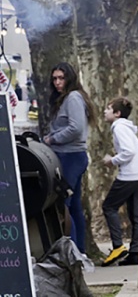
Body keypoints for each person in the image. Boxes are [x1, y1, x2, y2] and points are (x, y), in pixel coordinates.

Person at [44, 62, 97, 254]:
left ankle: (72, 252)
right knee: (74, 205)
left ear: (70, 78)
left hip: (70, 156)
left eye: (61, 78)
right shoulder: (64, 99)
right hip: (68, 155)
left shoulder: (73, 98)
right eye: (55, 79)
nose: (58, 82)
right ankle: (79, 250)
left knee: (63, 205)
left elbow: (76, 128)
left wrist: (53, 138)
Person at [100, 97, 138, 267]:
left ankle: (118, 246)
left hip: (129, 175)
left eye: (108, 109)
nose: (105, 111)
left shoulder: (119, 127)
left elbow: (129, 151)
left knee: (109, 206)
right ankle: (135, 252)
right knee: (136, 215)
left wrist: (113, 160)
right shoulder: (127, 127)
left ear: (117, 114)